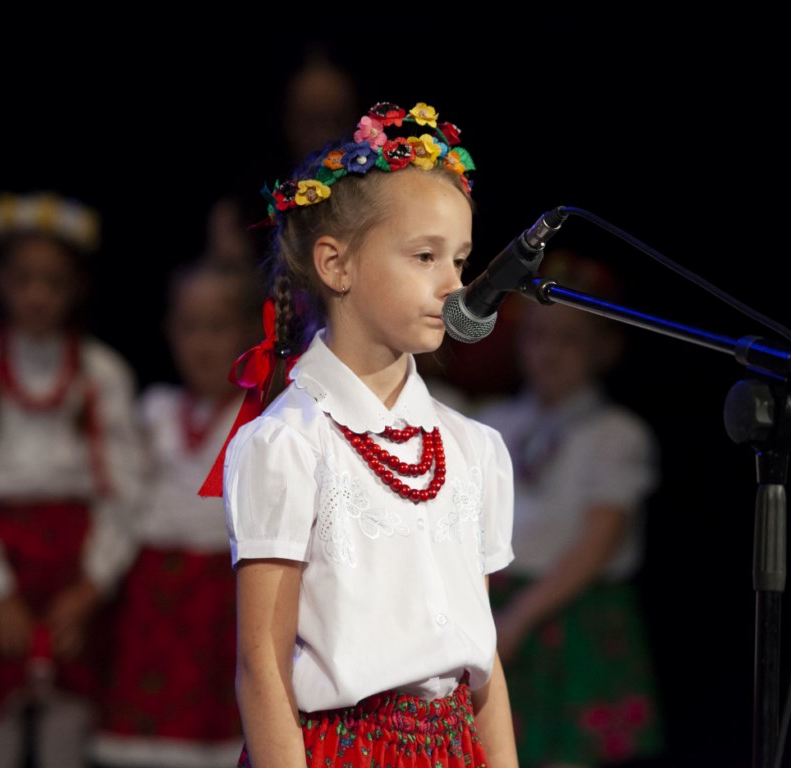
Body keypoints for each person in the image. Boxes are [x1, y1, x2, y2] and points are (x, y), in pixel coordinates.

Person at [202, 100, 520, 766]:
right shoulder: (289, 443)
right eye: (425, 256)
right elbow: (261, 667)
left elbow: (482, 662)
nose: (453, 285)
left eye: (460, 261)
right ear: (335, 264)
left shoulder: (474, 449)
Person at [0, 191, 145, 768]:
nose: (36, 295)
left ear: (76, 288)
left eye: (52, 282)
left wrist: (91, 586)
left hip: (71, 574)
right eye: (23, 279)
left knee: (66, 737)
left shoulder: (102, 374)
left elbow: (124, 490)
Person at [476, 248, 665, 767]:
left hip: (571, 613)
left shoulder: (614, 434)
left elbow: (597, 543)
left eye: (570, 340)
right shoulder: (494, 422)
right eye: (537, 336)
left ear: (605, 347)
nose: (549, 353)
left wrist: (517, 620)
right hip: (496, 604)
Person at [91, 257, 265, 767]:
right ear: (169, 331)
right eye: (190, 329)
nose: (203, 345)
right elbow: (124, 503)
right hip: (156, 597)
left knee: (221, 737)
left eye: (217, 328)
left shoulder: (263, 413)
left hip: (225, 597)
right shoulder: (155, 410)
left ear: (249, 331)